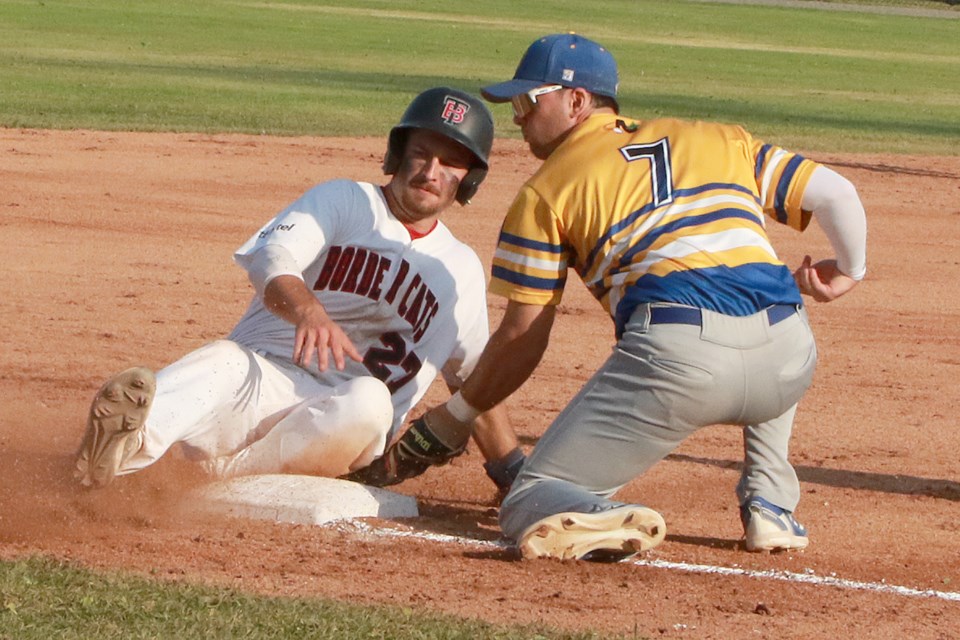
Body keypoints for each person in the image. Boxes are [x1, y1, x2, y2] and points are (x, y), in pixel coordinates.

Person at [404, 33, 867, 561]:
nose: (518, 118)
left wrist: (459, 414)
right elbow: (838, 194)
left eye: (529, 102)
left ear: (576, 102)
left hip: (680, 363)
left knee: (530, 494)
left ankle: (597, 516)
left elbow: (523, 336)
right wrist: (851, 270)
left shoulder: (544, 191)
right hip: (789, 361)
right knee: (763, 290)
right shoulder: (719, 138)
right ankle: (770, 506)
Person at [74, 87, 525, 498]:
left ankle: (214, 476)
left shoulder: (459, 270)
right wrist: (307, 308)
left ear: (469, 179)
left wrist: (510, 470)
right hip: (264, 383)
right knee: (223, 360)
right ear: (397, 153)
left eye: (450, 164)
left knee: (370, 401)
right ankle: (116, 453)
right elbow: (273, 258)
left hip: (341, 431)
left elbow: (476, 384)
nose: (431, 172)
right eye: (421, 155)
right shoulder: (345, 201)